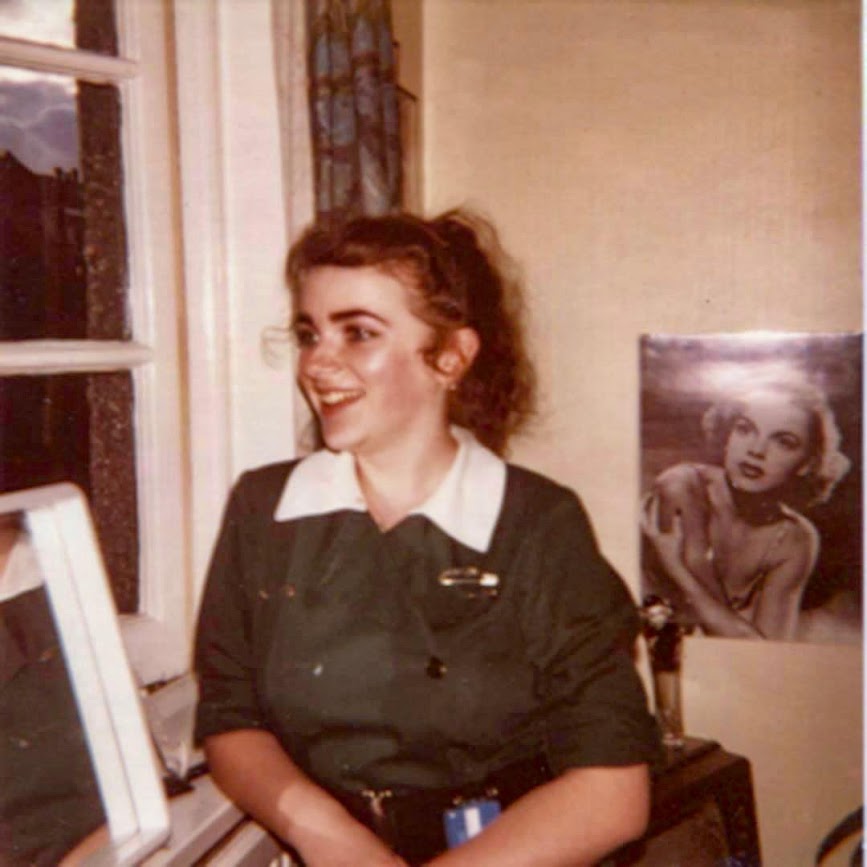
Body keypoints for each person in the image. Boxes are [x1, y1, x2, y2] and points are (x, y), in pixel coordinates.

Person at [194, 209, 660, 867]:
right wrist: (333, 840)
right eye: (309, 332)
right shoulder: (263, 508)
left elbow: (611, 790)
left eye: (357, 333)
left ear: (450, 356)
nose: (317, 364)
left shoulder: (535, 523)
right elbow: (229, 717)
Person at [641, 374, 851, 641]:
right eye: (745, 429)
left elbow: (770, 651)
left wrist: (676, 570)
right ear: (728, 434)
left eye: (783, 442)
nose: (756, 450)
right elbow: (739, 635)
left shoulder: (794, 538)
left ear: (808, 463)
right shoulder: (682, 484)